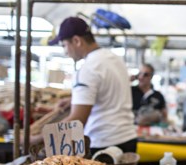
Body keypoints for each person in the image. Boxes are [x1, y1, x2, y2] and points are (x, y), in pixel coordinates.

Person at [38, 16, 137, 154]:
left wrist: (37, 139)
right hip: (127, 138)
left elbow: (77, 121)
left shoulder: (88, 68)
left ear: (77, 41)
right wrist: (74, 101)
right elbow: (108, 94)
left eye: (64, 45)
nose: (65, 52)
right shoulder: (114, 59)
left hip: (104, 144)